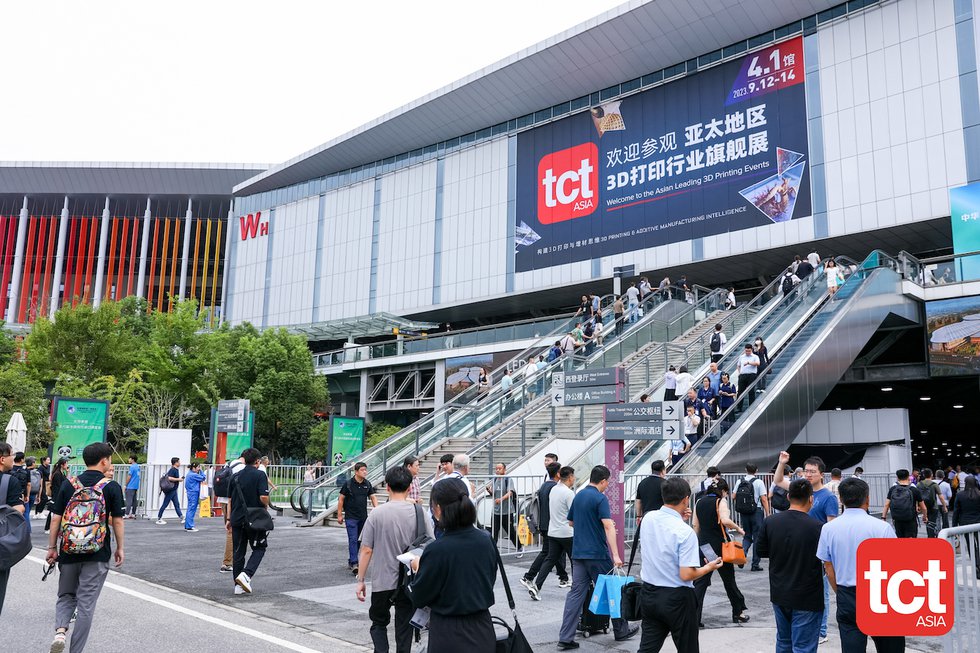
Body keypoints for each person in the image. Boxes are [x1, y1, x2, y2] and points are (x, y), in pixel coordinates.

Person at [45, 442, 125, 653]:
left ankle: (61, 631)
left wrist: (52, 547)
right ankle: (76, 651)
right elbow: (117, 521)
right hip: (97, 553)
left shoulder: (69, 484)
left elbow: (55, 519)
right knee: (86, 604)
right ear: (104, 461)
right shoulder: (111, 487)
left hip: (69, 551)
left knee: (66, 595)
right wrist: (120, 547)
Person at [407, 478, 498, 652]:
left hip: (448, 631)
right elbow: (488, 579)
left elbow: (419, 596)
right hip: (483, 627)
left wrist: (418, 568)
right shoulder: (486, 540)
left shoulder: (437, 550)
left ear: (439, 509)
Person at [817, 478, 904, 653]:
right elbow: (895, 566)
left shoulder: (828, 529)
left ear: (841, 499)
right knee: (890, 647)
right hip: (879, 593)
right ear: (867, 499)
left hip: (847, 594)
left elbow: (828, 567)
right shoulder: (882, 528)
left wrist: (839, 591)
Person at [557, 465, 638, 649]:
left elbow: (571, 522)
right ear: (602, 481)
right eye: (606, 482)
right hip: (597, 554)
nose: (607, 486)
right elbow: (609, 526)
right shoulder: (600, 498)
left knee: (576, 594)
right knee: (613, 590)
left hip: (578, 554)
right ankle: (621, 630)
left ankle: (565, 637)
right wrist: (616, 554)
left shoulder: (578, 496)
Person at [638, 476, 722, 652]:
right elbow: (687, 574)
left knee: (647, 649)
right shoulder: (685, 532)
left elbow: (663, 535)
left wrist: (679, 519)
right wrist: (709, 567)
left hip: (649, 593)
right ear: (685, 499)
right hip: (677, 598)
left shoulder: (648, 518)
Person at [356, 465, 434, 653]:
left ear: (388, 487)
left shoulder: (377, 513)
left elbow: (366, 549)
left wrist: (361, 580)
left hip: (383, 580)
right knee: (405, 627)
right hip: (410, 581)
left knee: (378, 623)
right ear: (409, 487)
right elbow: (431, 544)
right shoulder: (419, 512)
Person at [774, 452, 837, 642]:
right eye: (806, 471)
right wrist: (781, 463)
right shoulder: (800, 489)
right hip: (799, 546)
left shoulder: (828, 497)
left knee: (821, 590)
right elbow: (778, 481)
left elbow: (830, 526)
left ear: (821, 475)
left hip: (818, 549)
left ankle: (822, 631)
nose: (808, 475)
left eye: (813, 472)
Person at [756, 479, 825, 653]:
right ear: (811, 499)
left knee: (784, 641)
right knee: (804, 647)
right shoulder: (818, 527)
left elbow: (761, 551)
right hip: (807, 595)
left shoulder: (770, 522)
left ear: (788, 497)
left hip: (780, 591)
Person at [692, 479, 749, 626]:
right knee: (729, 580)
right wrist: (739, 529)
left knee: (701, 582)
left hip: (705, 546)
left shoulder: (699, 502)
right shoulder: (720, 501)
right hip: (719, 547)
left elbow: (695, 525)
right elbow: (725, 520)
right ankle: (738, 612)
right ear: (723, 491)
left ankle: (693, 617)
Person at [521, 462, 568, 596]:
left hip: (544, 524)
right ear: (558, 473)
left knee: (552, 554)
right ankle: (529, 576)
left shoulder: (544, 486)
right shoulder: (555, 488)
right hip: (552, 525)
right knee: (549, 553)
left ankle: (562, 577)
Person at [529, 465, 576, 600]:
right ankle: (576, 588)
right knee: (575, 560)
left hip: (553, 531)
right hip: (567, 532)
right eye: (573, 477)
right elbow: (573, 514)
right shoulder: (568, 493)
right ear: (570, 477)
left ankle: (536, 586)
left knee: (550, 559)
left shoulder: (554, 489)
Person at [228, 447, 271, 595]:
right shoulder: (260, 475)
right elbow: (263, 497)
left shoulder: (235, 476)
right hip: (255, 519)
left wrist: (228, 518)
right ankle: (246, 575)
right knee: (260, 548)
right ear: (258, 461)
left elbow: (230, 500)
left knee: (238, 552)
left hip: (236, 518)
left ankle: (238, 586)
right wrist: (266, 506)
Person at [338, 462, 379, 575]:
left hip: (363, 517)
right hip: (351, 517)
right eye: (362, 470)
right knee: (353, 539)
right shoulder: (348, 484)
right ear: (356, 472)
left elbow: (373, 497)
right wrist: (339, 514)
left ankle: (351, 560)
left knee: (359, 541)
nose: (365, 472)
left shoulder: (367, 484)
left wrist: (377, 509)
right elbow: (341, 499)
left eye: (366, 470)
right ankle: (355, 563)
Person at [0, 441, 26, 616]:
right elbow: (18, 509)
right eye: (11, 455)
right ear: (2, 459)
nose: (13, 459)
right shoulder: (10, 481)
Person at [735, 463, 769, 572]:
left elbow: (733, 496)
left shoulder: (739, 481)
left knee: (747, 535)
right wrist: (768, 512)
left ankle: (743, 554)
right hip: (756, 512)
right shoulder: (759, 482)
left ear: (745, 469)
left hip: (744, 512)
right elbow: (764, 498)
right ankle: (755, 564)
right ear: (757, 470)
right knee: (757, 537)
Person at [216, 454, 246, 573]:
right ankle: (227, 562)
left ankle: (230, 560)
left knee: (230, 531)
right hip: (231, 501)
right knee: (232, 532)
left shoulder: (229, 464)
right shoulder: (241, 467)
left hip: (222, 500)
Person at [881, 468, 927, 538]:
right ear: (908, 477)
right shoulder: (914, 490)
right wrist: (925, 517)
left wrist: (883, 517)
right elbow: (923, 507)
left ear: (897, 477)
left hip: (897, 520)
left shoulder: (893, 489)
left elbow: (886, 504)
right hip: (910, 520)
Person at [488, 462, 522, 555]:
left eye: (500, 469)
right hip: (495, 511)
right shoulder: (494, 479)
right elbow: (494, 494)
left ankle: (519, 547)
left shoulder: (508, 479)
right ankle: (493, 551)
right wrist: (489, 490)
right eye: (496, 469)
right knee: (494, 532)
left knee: (510, 531)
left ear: (504, 469)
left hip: (506, 511)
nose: (497, 470)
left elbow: (510, 492)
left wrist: (501, 499)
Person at [952, 476, 980, 579]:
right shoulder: (979, 494)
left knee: (971, 546)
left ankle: (976, 565)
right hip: (978, 523)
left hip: (965, 524)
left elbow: (956, 512)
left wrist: (954, 527)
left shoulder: (960, 495)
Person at [917, 468, 945, 538]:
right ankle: (931, 537)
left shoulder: (919, 484)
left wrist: (917, 506)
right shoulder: (934, 484)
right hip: (933, 506)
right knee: (932, 523)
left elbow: (916, 497)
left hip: (923, 506)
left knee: (927, 522)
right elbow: (941, 497)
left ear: (923, 475)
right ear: (931, 475)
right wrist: (944, 506)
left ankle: (929, 536)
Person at [155, 457, 184, 525]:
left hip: (173, 490)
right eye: (179, 462)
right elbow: (169, 478)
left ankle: (181, 517)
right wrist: (178, 479)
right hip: (171, 490)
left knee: (176, 504)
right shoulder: (173, 470)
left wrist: (178, 479)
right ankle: (159, 518)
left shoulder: (175, 469)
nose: (180, 463)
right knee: (165, 504)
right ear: (175, 463)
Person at [183, 462, 207, 532]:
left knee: (190, 509)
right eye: (198, 467)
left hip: (191, 493)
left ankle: (188, 526)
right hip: (193, 493)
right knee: (192, 509)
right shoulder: (193, 475)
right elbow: (203, 478)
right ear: (194, 468)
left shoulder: (189, 474)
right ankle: (189, 526)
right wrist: (201, 471)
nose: (198, 469)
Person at [736, 344, 759, 409]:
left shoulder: (755, 356)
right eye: (746, 351)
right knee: (740, 391)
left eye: (749, 351)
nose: (747, 352)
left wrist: (749, 363)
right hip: (743, 375)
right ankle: (739, 407)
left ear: (751, 350)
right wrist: (739, 372)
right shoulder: (742, 357)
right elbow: (738, 365)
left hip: (751, 375)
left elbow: (757, 363)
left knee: (751, 391)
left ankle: (752, 406)